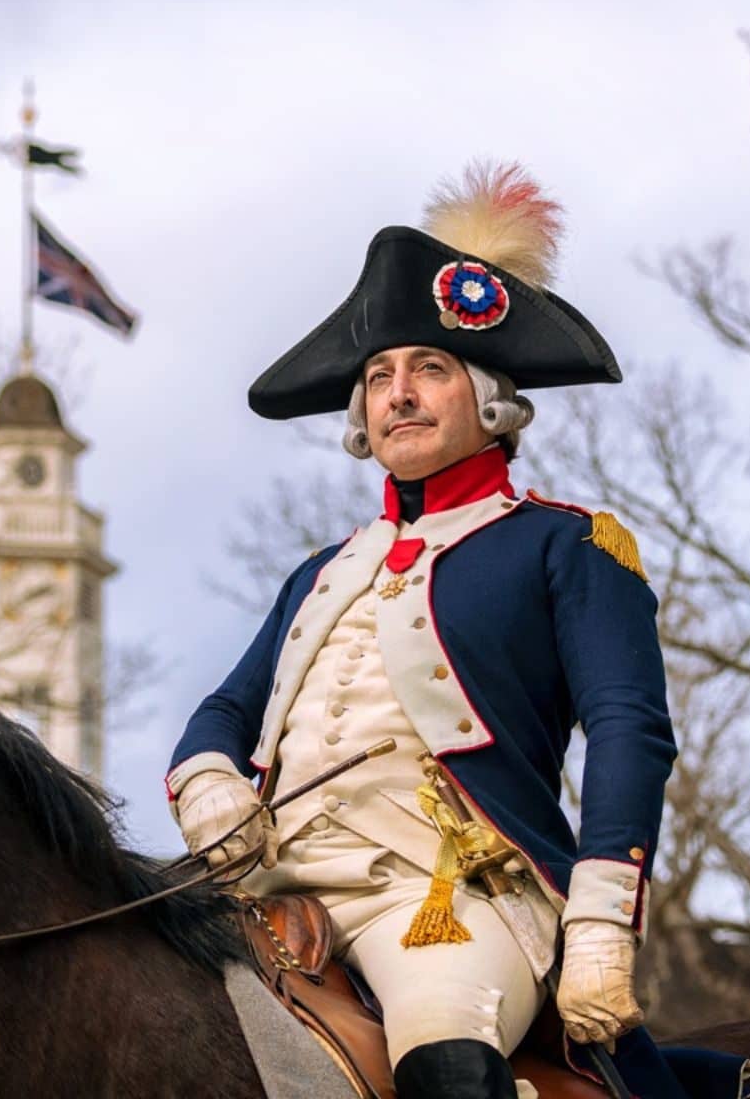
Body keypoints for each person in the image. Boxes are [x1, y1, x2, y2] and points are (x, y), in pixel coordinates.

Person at [167, 164, 688, 1099]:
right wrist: (208, 781)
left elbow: (627, 728)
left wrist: (605, 916)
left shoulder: (566, 545)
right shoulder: (323, 569)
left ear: (489, 398)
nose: (398, 392)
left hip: (449, 901)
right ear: (362, 417)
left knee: (444, 1041)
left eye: (429, 369)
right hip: (272, 890)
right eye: (379, 376)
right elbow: (226, 706)